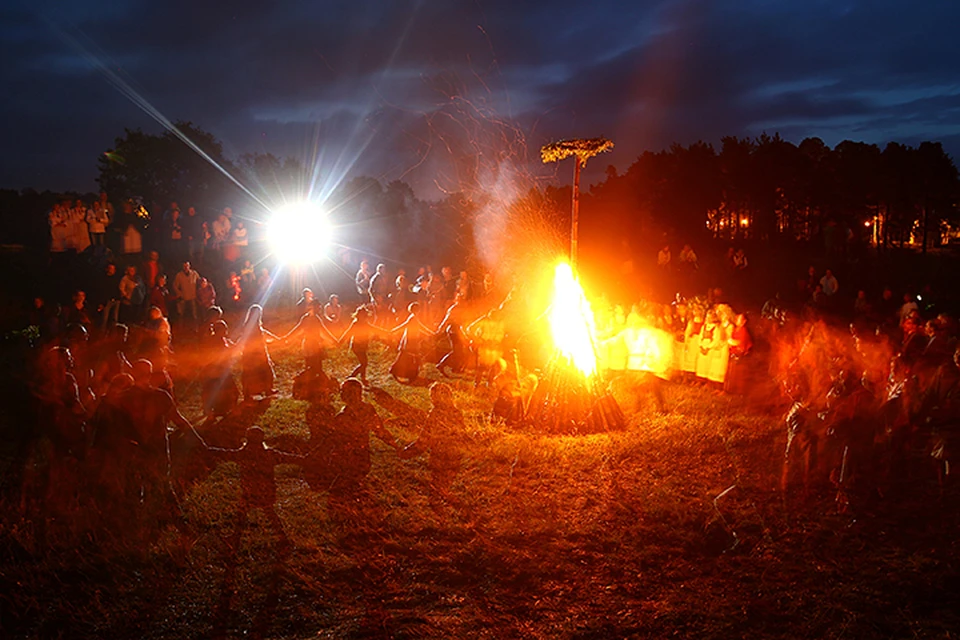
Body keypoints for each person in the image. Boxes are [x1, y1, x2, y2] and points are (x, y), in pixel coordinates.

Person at [324, 378, 399, 492]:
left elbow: (379, 430)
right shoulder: (366, 410)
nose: (348, 396)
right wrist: (396, 446)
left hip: (349, 460)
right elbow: (380, 431)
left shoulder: (342, 417)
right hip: (360, 458)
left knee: (348, 487)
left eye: (349, 393)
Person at [399, 381, 465, 495]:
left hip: (440, 457)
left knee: (437, 484)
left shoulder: (435, 415)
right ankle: (445, 495)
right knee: (447, 482)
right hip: (455, 456)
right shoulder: (457, 413)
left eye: (433, 397)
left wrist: (408, 451)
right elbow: (462, 434)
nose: (432, 400)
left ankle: (439, 498)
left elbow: (424, 439)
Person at [238, 304, 280, 400]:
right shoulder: (248, 328)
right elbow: (244, 339)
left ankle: (267, 389)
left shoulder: (257, 326)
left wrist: (278, 339)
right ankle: (248, 393)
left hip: (260, 354)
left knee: (266, 372)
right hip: (252, 355)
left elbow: (265, 333)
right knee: (251, 374)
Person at [389, 302, 435, 383]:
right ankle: (410, 374)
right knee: (411, 357)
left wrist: (430, 332)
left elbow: (420, 327)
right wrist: (394, 330)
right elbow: (404, 325)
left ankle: (409, 373)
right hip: (410, 341)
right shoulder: (412, 318)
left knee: (406, 357)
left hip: (412, 341)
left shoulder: (414, 318)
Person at [339, 305, 384, 385]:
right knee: (364, 363)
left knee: (364, 362)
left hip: (363, 346)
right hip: (356, 346)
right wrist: (341, 341)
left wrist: (385, 331)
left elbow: (374, 328)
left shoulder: (365, 324)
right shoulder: (355, 324)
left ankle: (362, 377)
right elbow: (348, 333)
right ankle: (353, 376)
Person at [173, 261, 200, 329]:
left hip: (193, 297)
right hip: (183, 297)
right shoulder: (179, 275)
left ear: (189, 266)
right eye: (184, 266)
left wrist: (198, 292)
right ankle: (181, 328)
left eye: (187, 266)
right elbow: (175, 286)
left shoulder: (194, 274)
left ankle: (195, 328)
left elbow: (199, 283)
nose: (186, 268)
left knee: (194, 315)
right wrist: (180, 294)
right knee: (181, 315)